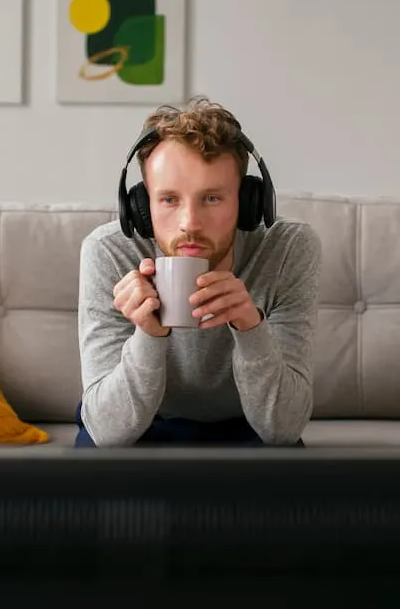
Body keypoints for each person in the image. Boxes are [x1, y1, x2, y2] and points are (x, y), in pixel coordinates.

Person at [74, 96, 322, 447]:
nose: (189, 224)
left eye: (211, 199)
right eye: (169, 199)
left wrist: (251, 328)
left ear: (249, 201)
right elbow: (109, 432)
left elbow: (282, 429)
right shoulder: (109, 251)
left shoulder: (288, 249)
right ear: (140, 206)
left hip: (245, 425)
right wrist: (147, 335)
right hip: (143, 425)